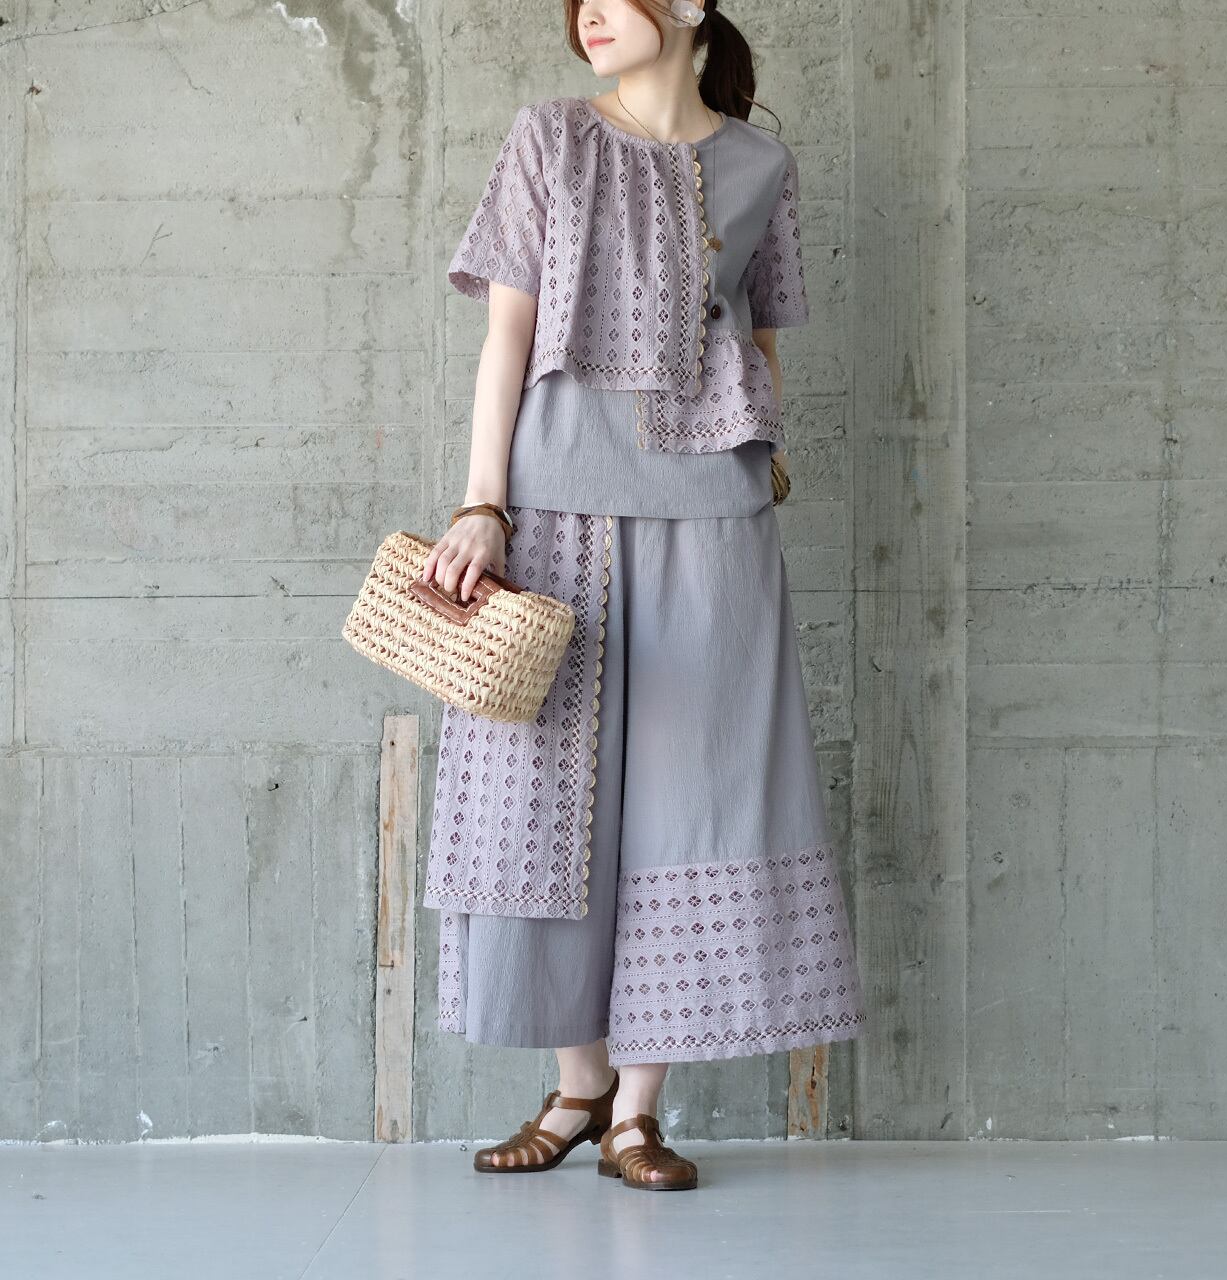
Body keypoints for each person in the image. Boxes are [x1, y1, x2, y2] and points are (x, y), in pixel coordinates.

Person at [419, 0, 868, 1192]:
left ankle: (635, 1112)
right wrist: (481, 503)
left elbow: (759, 340)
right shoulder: (550, 138)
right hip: (553, 506)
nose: (589, 13)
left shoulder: (760, 164)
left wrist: (762, 451)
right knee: (551, 799)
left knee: (695, 798)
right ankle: (575, 1087)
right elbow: (505, 340)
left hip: (714, 514)